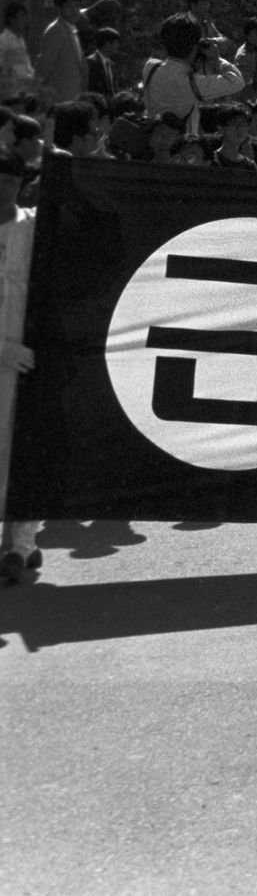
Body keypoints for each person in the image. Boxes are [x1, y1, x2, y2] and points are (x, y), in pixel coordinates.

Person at [0, 152, 41, 584]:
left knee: (25, 450)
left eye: (8, 179)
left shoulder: (33, 226)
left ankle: (20, 545)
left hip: (29, 357)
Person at [35, 0, 85, 102]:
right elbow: (44, 67)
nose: (75, 10)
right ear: (59, 8)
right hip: (58, 101)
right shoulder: (56, 30)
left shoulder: (73, 31)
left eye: (78, 6)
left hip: (73, 100)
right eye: (70, 6)